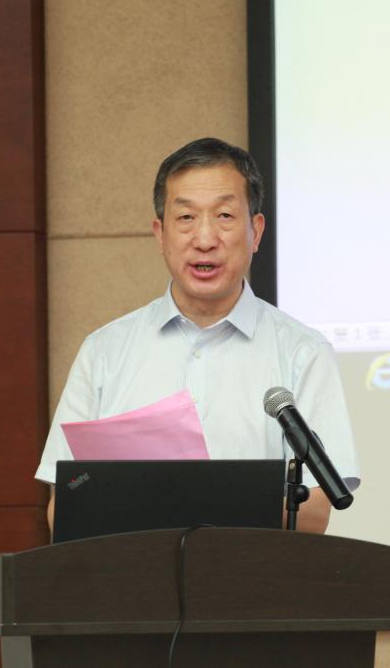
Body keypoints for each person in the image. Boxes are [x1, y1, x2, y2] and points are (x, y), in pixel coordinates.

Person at [35, 137, 359, 534]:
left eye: (224, 215)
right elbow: (63, 509)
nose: (205, 239)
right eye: (186, 217)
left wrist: (178, 505)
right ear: (160, 234)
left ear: (256, 231)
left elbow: (314, 513)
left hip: (252, 573)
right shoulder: (104, 351)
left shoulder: (303, 352)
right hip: (134, 573)